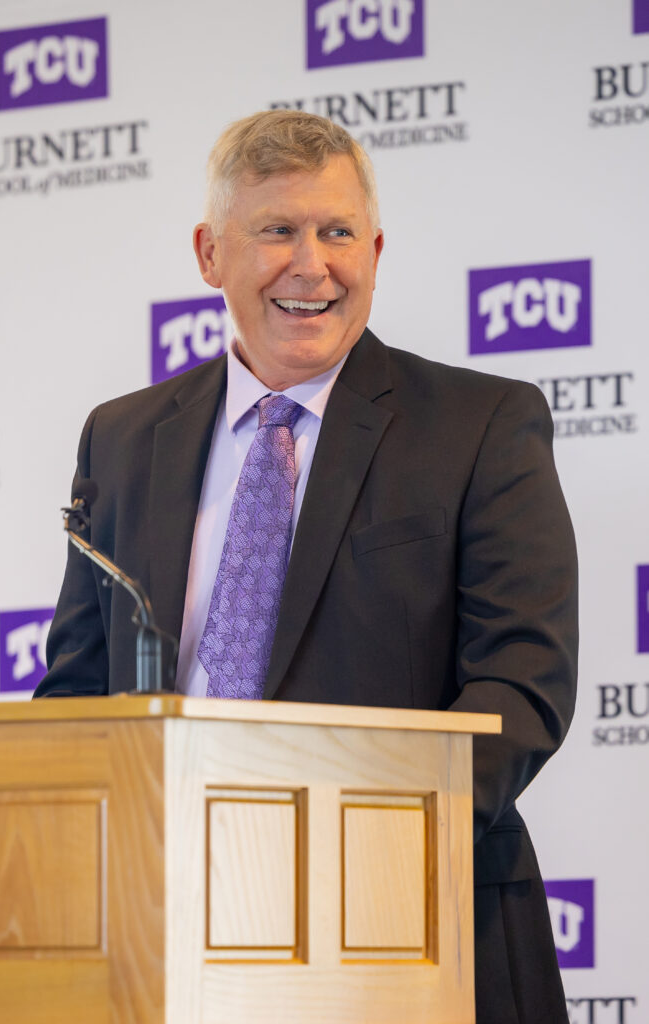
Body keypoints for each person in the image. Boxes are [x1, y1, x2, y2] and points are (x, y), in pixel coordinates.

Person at [36, 109, 578, 1023]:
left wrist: (360, 844)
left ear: (373, 247)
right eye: (276, 231)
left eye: (336, 233)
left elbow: (522, 684)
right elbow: (80, 694)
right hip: (168, 932)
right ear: (210, 254)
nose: (311, 265)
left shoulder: (481, 423)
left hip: (411, 927)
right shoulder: (122, 438)